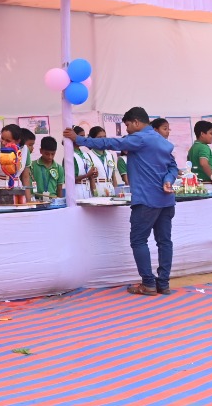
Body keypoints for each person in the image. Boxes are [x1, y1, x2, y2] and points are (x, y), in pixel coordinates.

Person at [67, 107, 180, 296]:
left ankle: (148, 283)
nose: (126, 130)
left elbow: (111, 142)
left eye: (127, 125)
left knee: (138, 240)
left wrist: (80, 140)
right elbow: (173, 167)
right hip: (166, 200)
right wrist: (168, 180)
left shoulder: (140, 138)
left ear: (136, 122)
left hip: (146, 200)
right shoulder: (162, 141)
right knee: (164, 242)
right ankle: (163, 283)